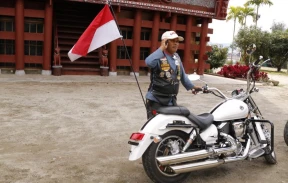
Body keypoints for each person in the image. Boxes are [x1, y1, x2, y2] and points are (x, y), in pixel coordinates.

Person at [145, 30, 202, 119]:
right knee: (155, 128)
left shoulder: (176, 57)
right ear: (165, 42)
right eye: (172, 41)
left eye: (177, 41)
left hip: (171, 100)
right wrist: (161, 48)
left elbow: (182, 75)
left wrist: (192, 87)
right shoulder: (158, 56)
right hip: (156, 100)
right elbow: (148, 62)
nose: (176, 44)